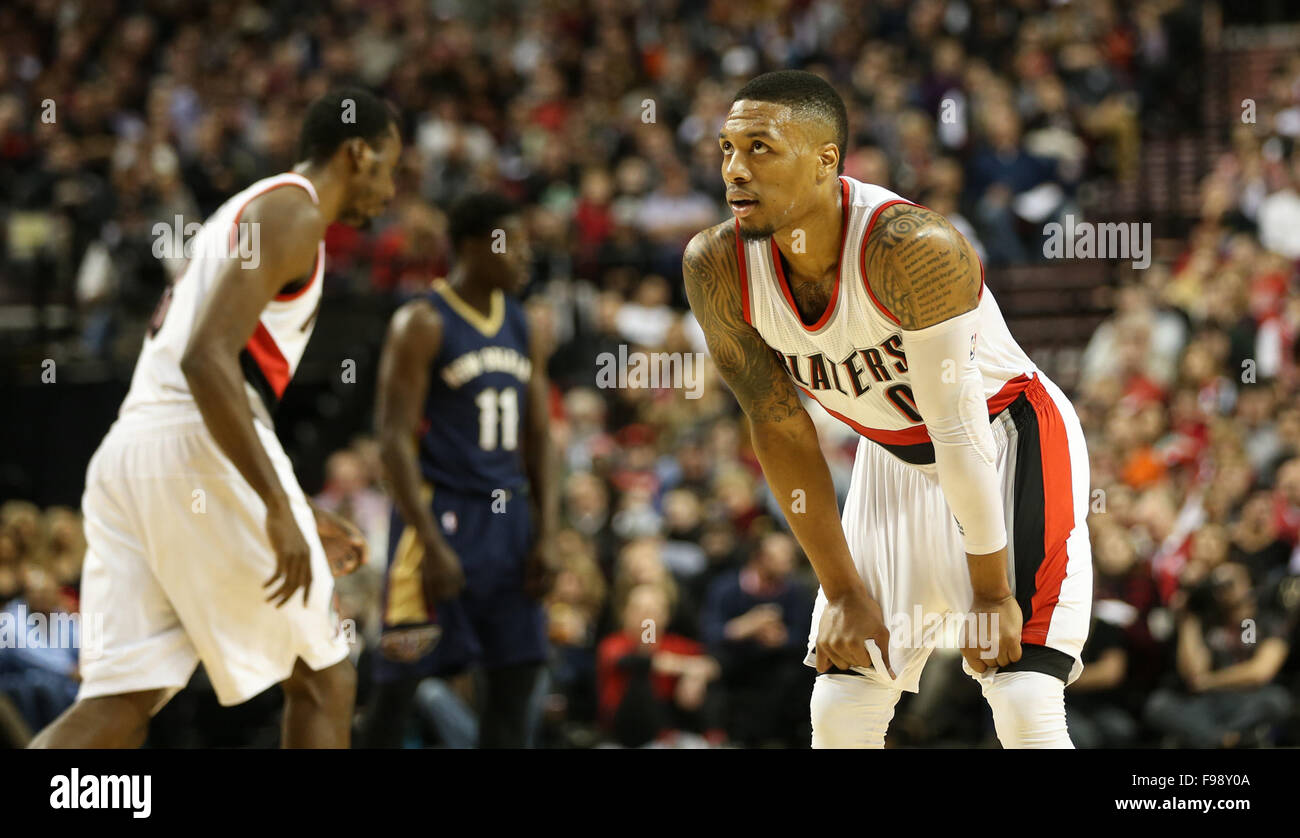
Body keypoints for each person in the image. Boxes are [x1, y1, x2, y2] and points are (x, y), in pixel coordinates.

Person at [682, 70, 1093, 749]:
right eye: (726, 148)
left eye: (759, 148)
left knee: (1021, 698)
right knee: (841, 708)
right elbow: (779, 428)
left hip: (1005, 437)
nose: (735, 169)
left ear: (825, 161)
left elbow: (958, 428)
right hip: (891, 453)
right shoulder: (715, 266)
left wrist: (992, 593)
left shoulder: (912, 248)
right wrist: (841, 589)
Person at [30, 87, 401, 749]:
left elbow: (208, 367)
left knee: (119, 704)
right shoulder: (294, 212)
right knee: (325, 678)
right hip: (189, 442)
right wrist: (276, 505)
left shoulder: (251, 208)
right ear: (357, 151)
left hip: (134, 450)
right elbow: (208, 361)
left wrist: (299, 506)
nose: (392, 189)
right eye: (390, 167)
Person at [365, 192, 558, 748]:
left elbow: (541, 436)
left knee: (515, 680)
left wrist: (546, 533)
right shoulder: (422, 321)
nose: (524, 256)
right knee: (398, 685)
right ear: (474, 246)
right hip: (440, 520)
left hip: (509, 522)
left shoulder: (522, 324)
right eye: (512, 243)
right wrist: (427, 537)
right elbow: (394, 440)